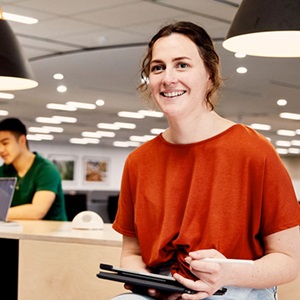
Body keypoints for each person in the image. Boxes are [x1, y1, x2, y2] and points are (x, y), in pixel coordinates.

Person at [111, 21, 300, 300]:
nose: (168, 78)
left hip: (237, 286)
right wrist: (148, 282)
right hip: (164, 289)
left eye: (182, 65)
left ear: (209, 74)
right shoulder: (138, 162)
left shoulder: (254, 151)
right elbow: (132, 253)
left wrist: (225, 272)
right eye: (158, 67)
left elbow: (288, 260)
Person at [0, 117, 67, 221]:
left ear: (22, 140)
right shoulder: (4, 170)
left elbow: (37, 211)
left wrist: (2, 213)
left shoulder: (46, 170)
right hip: (17, 232)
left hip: (49, 235)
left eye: (5, 143)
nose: (1, 149)